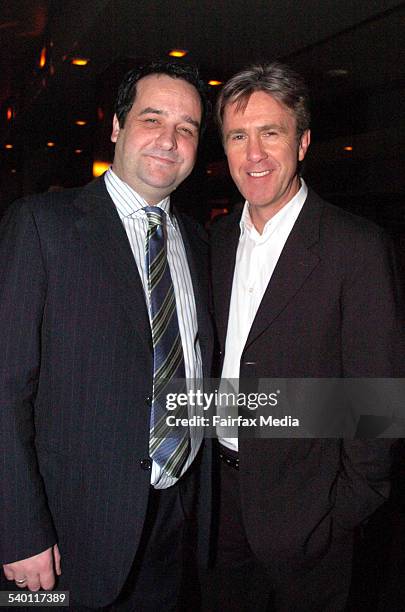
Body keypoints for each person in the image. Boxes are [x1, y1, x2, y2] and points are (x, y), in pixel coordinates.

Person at [0, 61, 213, 611]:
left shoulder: (198, 240)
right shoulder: (42, 224)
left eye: (186, 128)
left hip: (174, 521)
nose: (169, 139)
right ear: (116, 128)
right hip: (65, 536)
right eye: (152, 118)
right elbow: (5, 388)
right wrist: (18, 528)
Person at [208, 62, 404, 611]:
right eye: (238, 136)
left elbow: (377, 401)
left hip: (311, 518)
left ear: (303, 142)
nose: (253, 154)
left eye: (271, 133)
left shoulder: (355, 247)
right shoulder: (215, 241)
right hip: (218, 507)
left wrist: (343, 512)